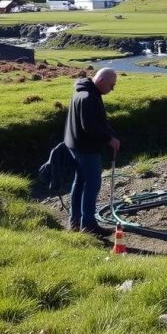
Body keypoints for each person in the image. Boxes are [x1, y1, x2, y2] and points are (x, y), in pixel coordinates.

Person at [64, 67, 120, 237]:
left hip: (75, 144)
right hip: (85, 147)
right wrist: (109, 139)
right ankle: (88, 224)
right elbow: (90, 127)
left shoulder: (86, 91)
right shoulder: (88, 97)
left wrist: (110, 134)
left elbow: (98, 121)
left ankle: (75, 221)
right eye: (111, 85)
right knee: (92, 183)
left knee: (80, 182)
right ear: (101, 81)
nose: (112, 89)